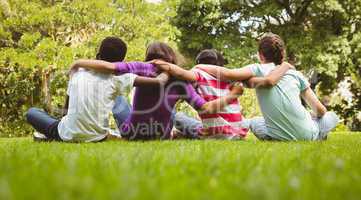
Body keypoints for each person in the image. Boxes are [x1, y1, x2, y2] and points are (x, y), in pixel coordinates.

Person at [70, 42, 241, 140]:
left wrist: (79, 62)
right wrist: (232, 95)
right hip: (162, 135)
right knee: (173, 112)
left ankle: (93, 127)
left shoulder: (143, 67)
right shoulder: (182, 82)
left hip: (133, 133)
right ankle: (175, 133)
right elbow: (206, 108)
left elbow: (110, 67)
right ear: (172, 58)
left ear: (149, 56)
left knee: (119, 98)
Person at [197, 33, 339, 141]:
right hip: (308, 134)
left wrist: (200, 66)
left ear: (260, 55)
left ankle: (279, 136)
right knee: (330, 116)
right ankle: (319, 134)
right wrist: (312, 116)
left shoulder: (257, 69)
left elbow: (228, 73)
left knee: (255, 122)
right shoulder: (296, 74)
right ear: (282, 54)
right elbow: (320, 110)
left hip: (278, 136)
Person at [26, 37, 169, 142]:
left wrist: (68, 123)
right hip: (98, 137)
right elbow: (159, 81)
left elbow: (67, 109)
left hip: (67, 133)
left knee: (32, 113)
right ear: (121, 62)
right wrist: (166, 68)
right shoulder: (120, 78)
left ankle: (49, 136)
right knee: (118, 97)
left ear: (98, 56)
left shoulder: (78, 72)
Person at [152, 49, 293, 139]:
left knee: (178, 117)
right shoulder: (233, 79)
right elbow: (266, 82)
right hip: (239, 132)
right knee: (251, 120)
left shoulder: (198, 75)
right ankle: (186, 134)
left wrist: (160, 63)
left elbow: (181, 73)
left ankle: (183, 134)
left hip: (217, 133)